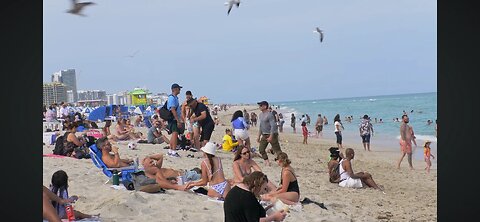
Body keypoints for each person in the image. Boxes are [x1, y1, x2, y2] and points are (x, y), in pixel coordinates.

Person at [257, 101, 283, 167]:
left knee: (277, 151)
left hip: (272, 134)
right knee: (261, 149)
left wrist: (271, 136)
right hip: (264, 135)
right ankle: (267, 162)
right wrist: (258, 136)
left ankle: (283, 162)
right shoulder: (260, 115)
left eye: (261, 105)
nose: (259, 107)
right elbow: (261, 126)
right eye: (259, 105)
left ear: (265, 106)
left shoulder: (270, 115)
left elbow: (273, 126)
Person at [166, 83, 184, 157]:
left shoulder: (175, 97)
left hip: (173, 119)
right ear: (175, 89)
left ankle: (170, 150)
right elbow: (173, 109)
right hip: (173, 119)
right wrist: (177, 120)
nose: (179, 90)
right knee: (175, 134)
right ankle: (173, 151)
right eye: (179, 89)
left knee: (174, 134)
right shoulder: (172, 98)